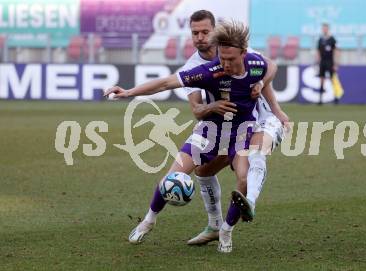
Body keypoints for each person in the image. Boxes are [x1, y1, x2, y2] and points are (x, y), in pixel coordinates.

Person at [104, 20, 278, 253]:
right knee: (171, 176)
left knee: (244, 181)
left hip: (241, 135)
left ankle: (226, 230)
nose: (225, 63)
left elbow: (271, 66)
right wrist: (128, 92)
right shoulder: (209, 72)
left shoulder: (255, 64)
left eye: (231, 59)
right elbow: (166, 83)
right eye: (221, 57)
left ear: (244, 53)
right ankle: (148, 220)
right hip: (210, 133)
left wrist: (261, 82)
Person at [180, 10, 289, 247]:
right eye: (195, 33)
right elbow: (196, 109)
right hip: (229, 128)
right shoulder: (196, 67)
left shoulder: (240, 51)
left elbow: (268, 67)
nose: (200, 37)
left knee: (252, 162)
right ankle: (214, 226)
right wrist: (212, 108)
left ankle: (239, 215)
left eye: (205, 32)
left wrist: (273, 103)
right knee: (203, 172)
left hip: (261, 121)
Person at [316, 23, 339, 104]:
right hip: (323, 61)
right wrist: (318, 61)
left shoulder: (332, 39)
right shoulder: (320, 39)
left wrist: (335, 63)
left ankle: (336, 97)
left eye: (325, 28)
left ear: (328, 29)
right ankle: (320, 99)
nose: (324, 29)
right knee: (322, 79)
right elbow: (318, 51)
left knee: (332, 79)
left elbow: (336, 51)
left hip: (330, 61)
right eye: (323, 28)